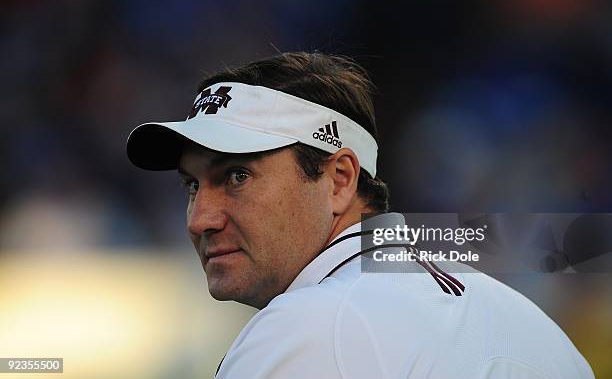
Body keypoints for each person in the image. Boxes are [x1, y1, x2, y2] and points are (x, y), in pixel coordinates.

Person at [126, 52, 594, 378]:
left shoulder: (307, 328)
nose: (199, 219)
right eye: (192, 185)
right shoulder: (533, 326)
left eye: (237, 177)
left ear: (341, 178)